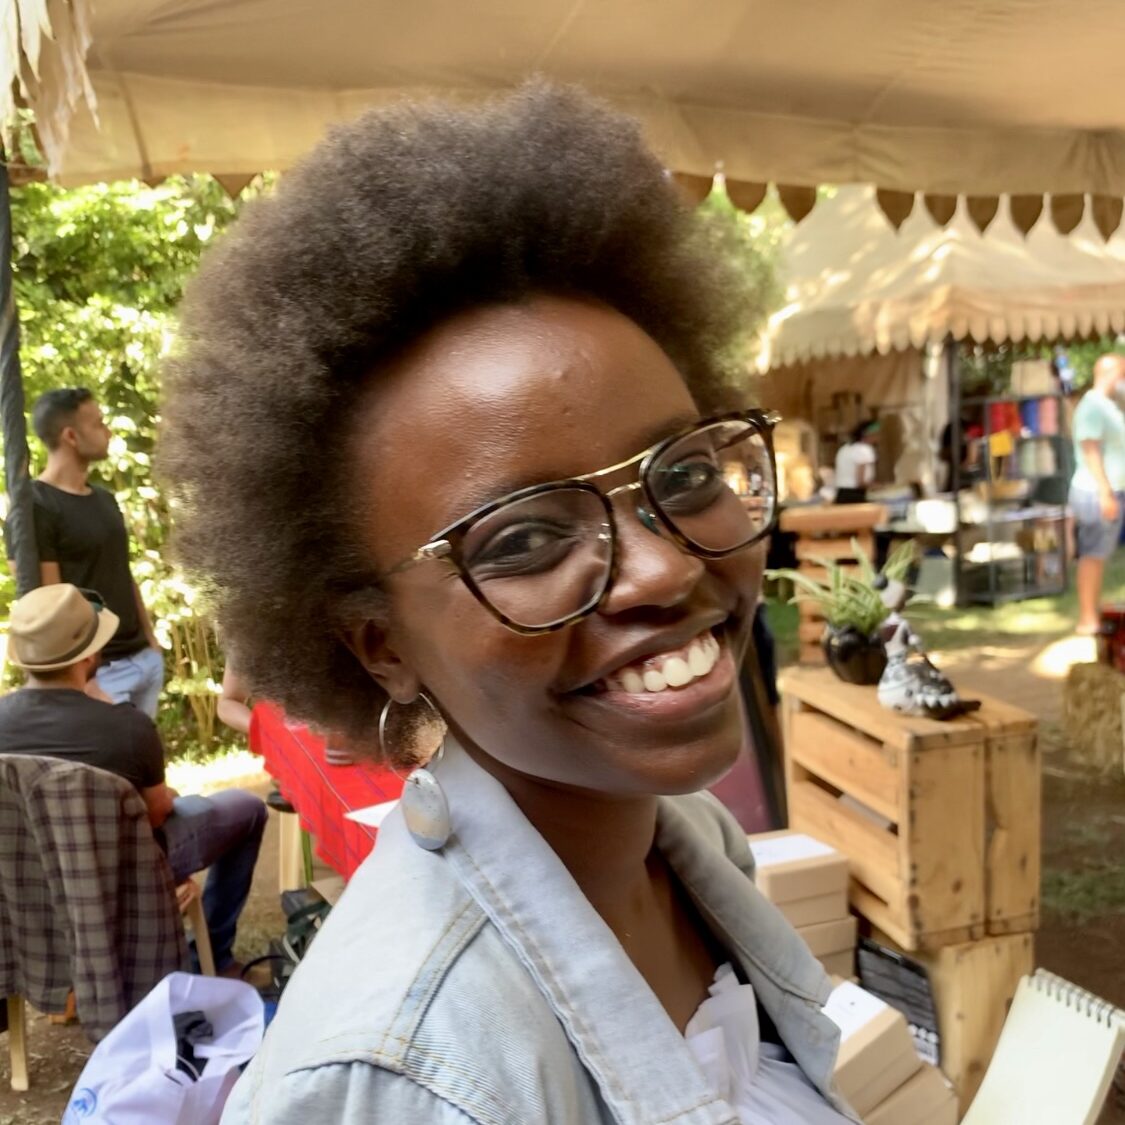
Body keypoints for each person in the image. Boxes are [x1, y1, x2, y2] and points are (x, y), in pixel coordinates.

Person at [161, 84, 862, 1122]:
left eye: (680, 473)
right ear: (381, 645)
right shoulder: (406, 1077)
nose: (665, 570)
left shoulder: (685, 841)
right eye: (524, 538)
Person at [0, 583, 268, 976]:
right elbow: (156, 814)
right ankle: (214, 956)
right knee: (248, 809)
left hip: (28, 881)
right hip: (127, 874)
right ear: (89, 655)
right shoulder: (127, 728)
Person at [23, 388, 164, 716]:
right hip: (98, 674)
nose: (108, 432)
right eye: (98, 424)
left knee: (145, 749)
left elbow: (122, 572)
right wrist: (82, 679)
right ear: (71, 436)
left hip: (143, 659)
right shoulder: (37, 506)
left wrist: (151, 642)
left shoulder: (105, 499)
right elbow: (48, 600)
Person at [1070, 354, 1125, 634]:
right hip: (1095, 492)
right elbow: (1090, 450)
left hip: (1109, 490)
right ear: (1109, 373)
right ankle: (1087, 618)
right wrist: (1105, 492)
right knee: (1092, 555)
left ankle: (1093, 614)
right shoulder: (1091, 407)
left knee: (1099, 555)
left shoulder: (1108, 406)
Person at [834, 420, 880, 503]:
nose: (878, 437)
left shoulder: (844, 448)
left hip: (840, 495)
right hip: (855, 496)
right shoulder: (864, 449)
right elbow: (860, 482)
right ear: (868, 435)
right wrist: (877, 487)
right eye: (876, 434)